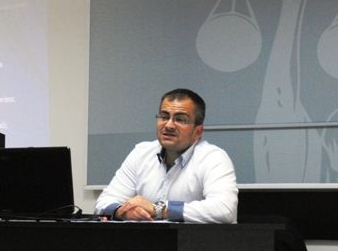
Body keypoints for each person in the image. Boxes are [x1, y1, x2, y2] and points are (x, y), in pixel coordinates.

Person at [94, 88, 238, 223]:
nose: (169, 125)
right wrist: (122, 211)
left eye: (180, 119)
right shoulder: (141, 153)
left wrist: (160, 209)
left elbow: (224, 210)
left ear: (198, 132)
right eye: (164, 117)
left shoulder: (213, 158)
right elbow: (103, 203)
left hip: (193, 240)